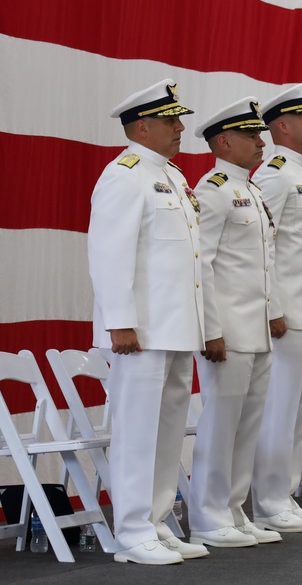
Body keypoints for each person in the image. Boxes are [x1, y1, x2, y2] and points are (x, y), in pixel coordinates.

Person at [88, 79, 209, 564]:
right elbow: (109, 253)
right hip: (141, 330)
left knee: (167, 431)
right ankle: (132, 531)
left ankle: (157, 521)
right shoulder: (125, 174)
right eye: (171, 120)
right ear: (143, 126)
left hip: (176, 326)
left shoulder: (174, 178)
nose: (181, 128)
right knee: (138, 431)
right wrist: (120, 321)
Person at [188, 98, 282, 549]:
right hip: (227, 331)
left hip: (256, 329)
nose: (260, 142)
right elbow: (200, 265)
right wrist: (210, 329)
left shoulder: (252, 190)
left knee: (247, 427)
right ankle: (207, 515)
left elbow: (264, 265)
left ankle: (233, 508)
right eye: (250, 135)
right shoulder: (214, 189)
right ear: (224, 141)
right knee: (221, 425)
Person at [250, 85, 302, 532]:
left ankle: (283, 494)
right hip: (286, 315)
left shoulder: (301, 174)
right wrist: (272, 308)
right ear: (283, 125)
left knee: (298, 409)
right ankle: (268, 501)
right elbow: (263, 246)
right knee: (279, 409)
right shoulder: (276, 175)